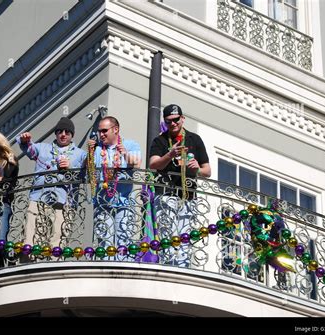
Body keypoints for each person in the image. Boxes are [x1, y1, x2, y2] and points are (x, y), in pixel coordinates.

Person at [149, 104, 211, 267]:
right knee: (167, 235)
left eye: (176, 120)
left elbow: (207, 171)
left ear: (182, 119)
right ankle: (168, 267)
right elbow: (153, 164)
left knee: (185, 237)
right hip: (165, 193)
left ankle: (182, 268)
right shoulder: (160, 140)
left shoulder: (194, 139)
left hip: (188, 194)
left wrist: (197, 169)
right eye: (169, 121)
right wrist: (170, 155)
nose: (173, 124)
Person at [16, 117, 86, 249]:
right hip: (38, 199)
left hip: (65, 202)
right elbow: (29, 149)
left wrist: (71, 167)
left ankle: (54, 266)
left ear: (72, 135)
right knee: (30, 239)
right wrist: (24, 139)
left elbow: (88, 173)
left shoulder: (80, 154)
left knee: (58, 242)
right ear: (56, 133)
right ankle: (29, 267)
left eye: (67, 132)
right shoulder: (43, 148)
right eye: (60, 131)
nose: (63, 134)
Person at [87, 116, 141, 258]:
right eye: (99, 131)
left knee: (124, 241)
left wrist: (124, 153)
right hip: (102, 202)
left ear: (115, 129)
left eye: (104, 130)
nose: (101, 134)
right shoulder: (98, 149)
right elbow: (87, 171)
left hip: (124, 202)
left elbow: (136, 163)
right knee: (104, 242)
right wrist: (90, 153)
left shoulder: (130, 144)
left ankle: (122, 271)